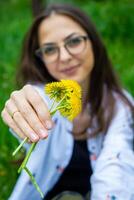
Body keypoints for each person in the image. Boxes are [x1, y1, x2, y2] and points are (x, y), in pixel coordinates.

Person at [1, 3, 134, 200]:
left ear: (94, 43)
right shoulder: (44, 96)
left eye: (73, 42)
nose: (64, 57)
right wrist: (22, 108)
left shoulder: (120, 106)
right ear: (41, 58)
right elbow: (37, 100)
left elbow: (116, 168)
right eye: (50, 49)